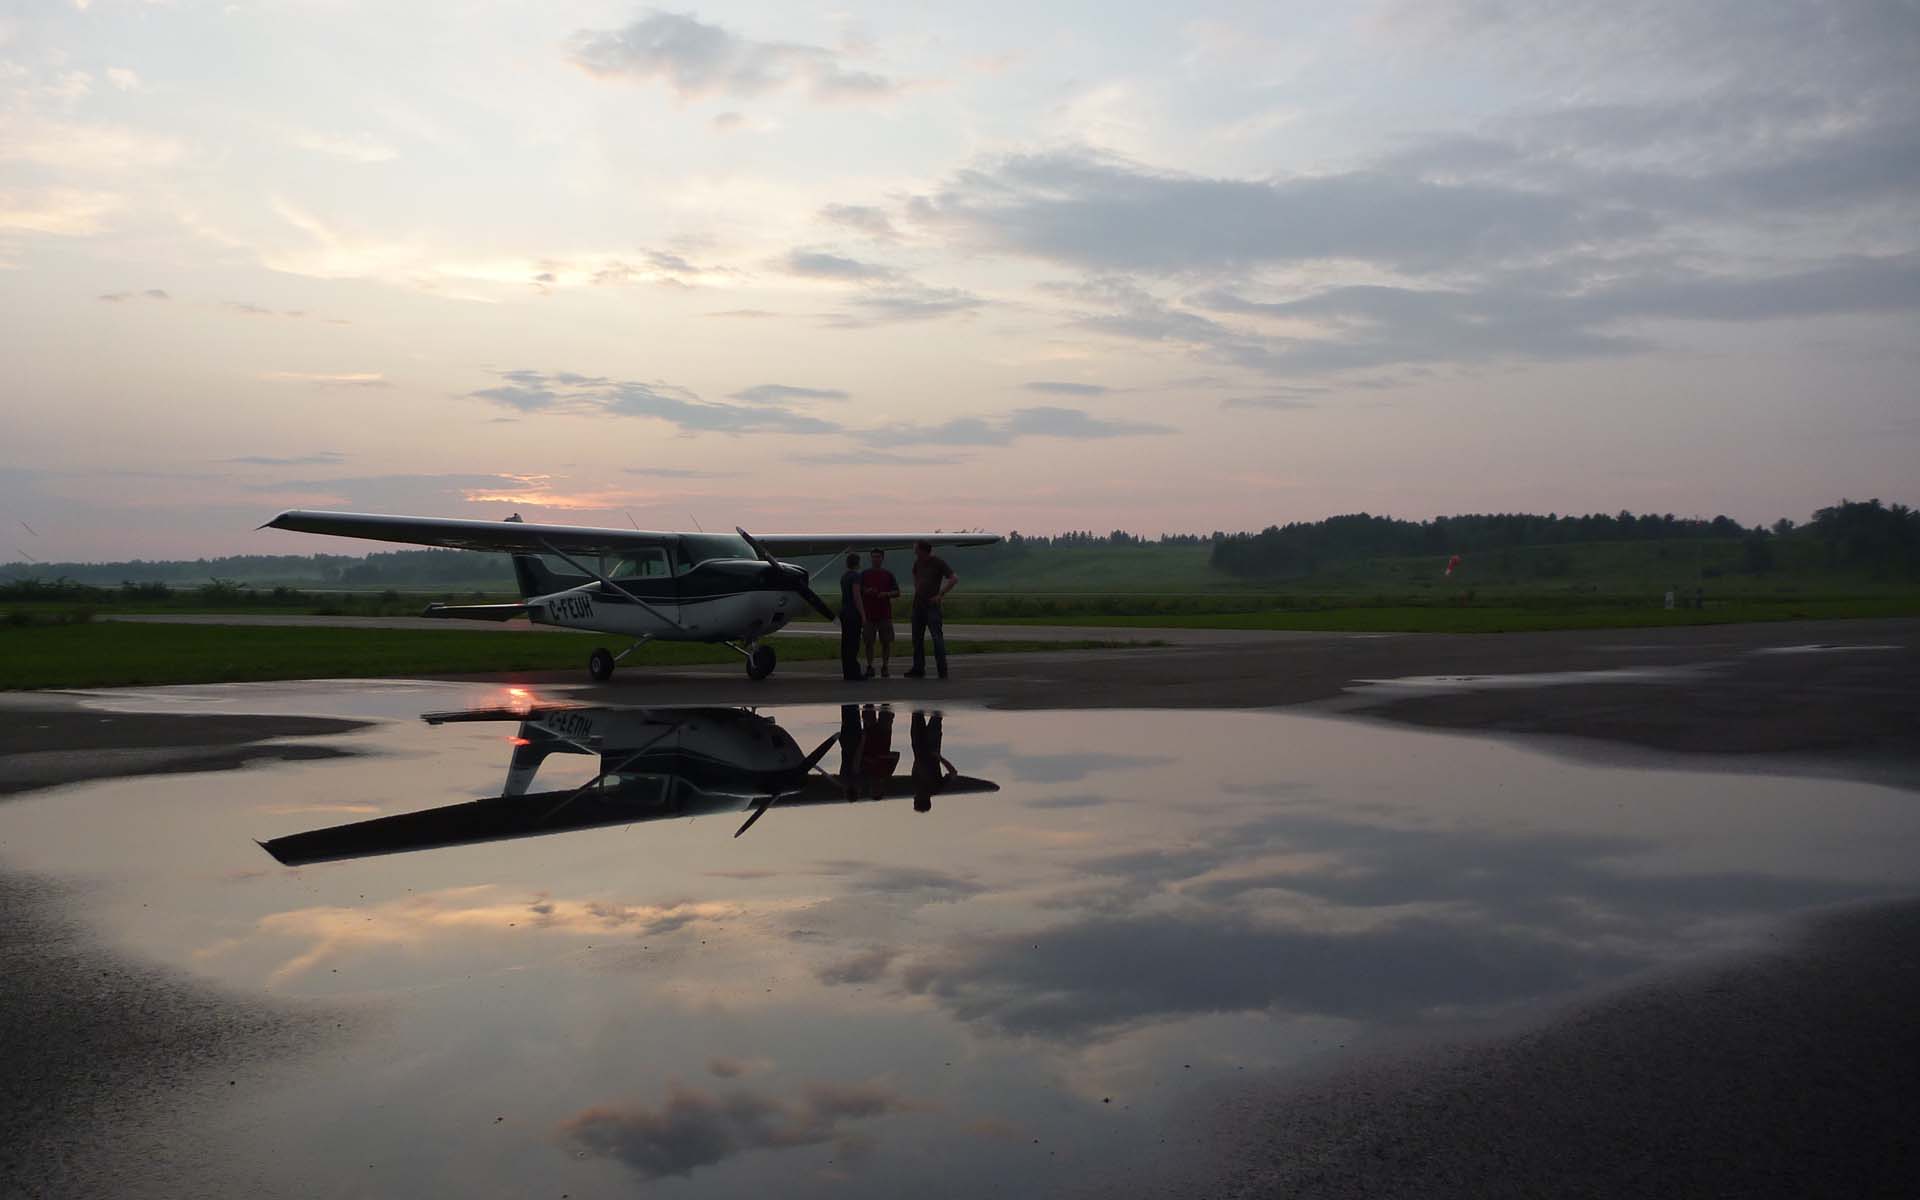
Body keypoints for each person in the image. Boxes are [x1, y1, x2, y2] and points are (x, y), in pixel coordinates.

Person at [905, 539, 958, 679]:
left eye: (916, 549)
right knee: (916, 639)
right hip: (918, 605)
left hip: (931, 606)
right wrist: (917, 588)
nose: (914, 552)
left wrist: (940, 594)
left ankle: (942, 669)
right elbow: (915, 575)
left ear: (923, 550)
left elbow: (953, 578)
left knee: (937, 638)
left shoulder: (938, 562)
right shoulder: (917, 563)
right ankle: (918, 668)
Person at [859, 549, 901, 678]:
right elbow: (858, 590)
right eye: (873, 557)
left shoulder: (888, 574)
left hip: (884, 614)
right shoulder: (864, 574)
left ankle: (885, 666)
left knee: (886, 642)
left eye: (878, 557)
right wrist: (867, 591)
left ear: (882, 558)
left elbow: (897, 592)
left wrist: (886, 594)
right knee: (868, 642)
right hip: (869, 614)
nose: (875, 559)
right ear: (870, 558)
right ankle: (870, 665)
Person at [909, 709, 955, 812]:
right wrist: (939, 757)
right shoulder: (936, 788)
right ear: (922, 799)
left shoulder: (916, 788)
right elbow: (953, 773)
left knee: (917, 713)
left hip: (918, 747)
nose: (914, 798)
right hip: (931, 747)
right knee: (936, 714)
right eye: (916, 800)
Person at [837, 553, 865, 682]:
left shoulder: (844, 576)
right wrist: (863, 615)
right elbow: (857, 596)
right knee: (853, 643)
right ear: (857, 563)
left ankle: (847, 671)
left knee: (846, 643)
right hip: (853, 613)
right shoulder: (856, 576)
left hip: (844, 611)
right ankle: (854, 672)